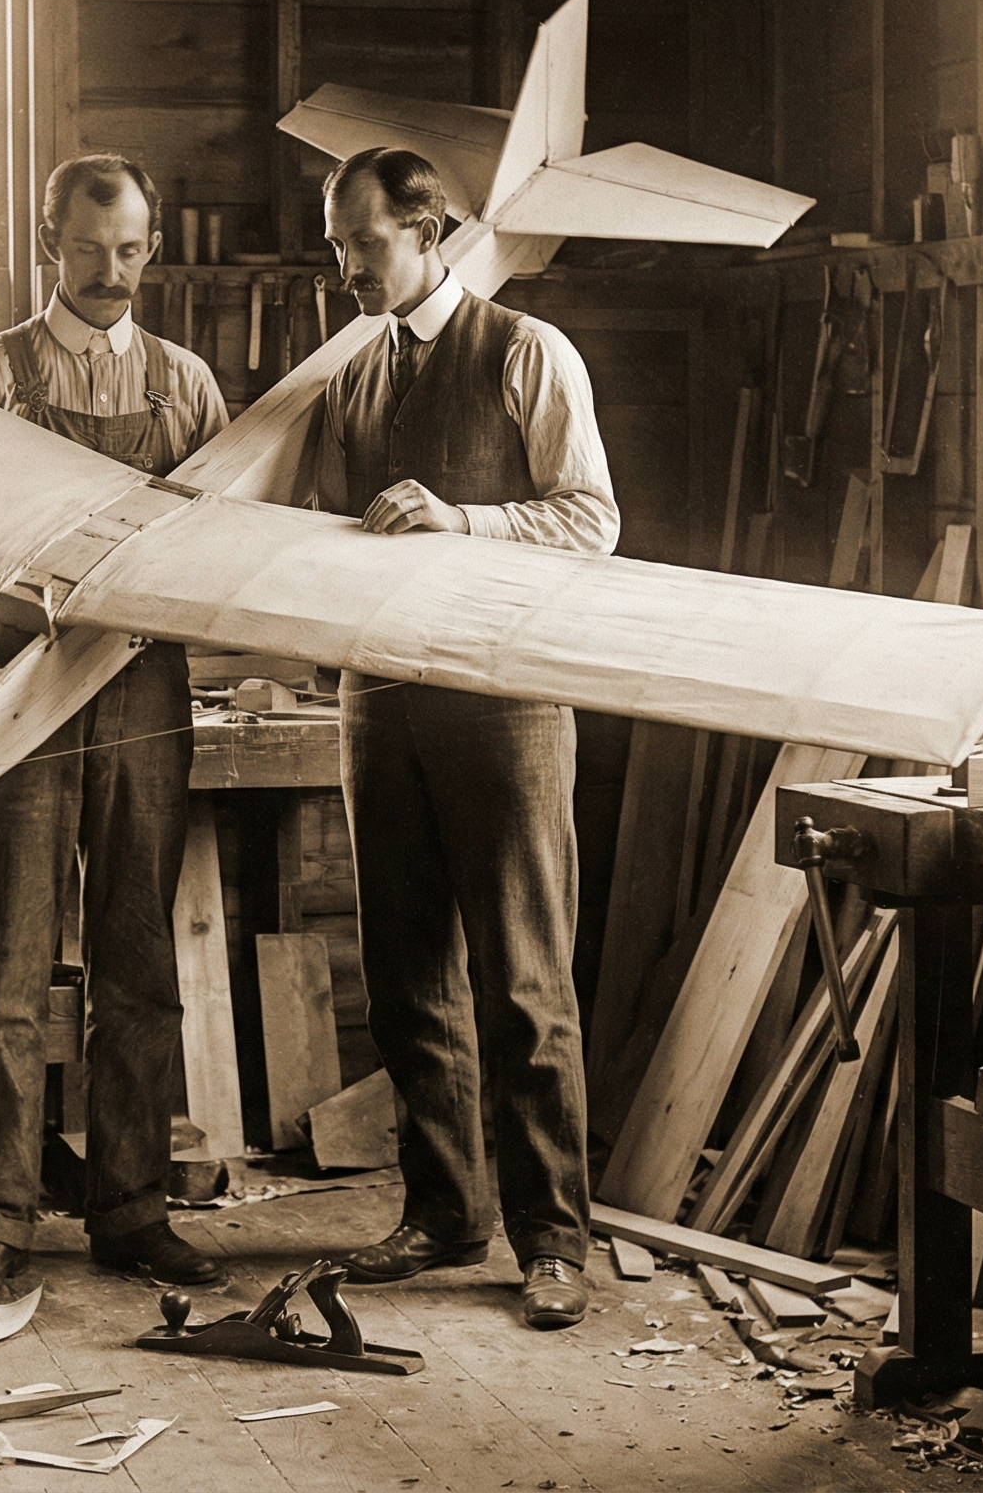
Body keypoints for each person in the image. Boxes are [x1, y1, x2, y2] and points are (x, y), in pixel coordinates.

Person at [0, 153, 230, 1307]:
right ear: (48, 240)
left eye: (133, 248)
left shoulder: (188, 387)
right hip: (18, 694)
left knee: (137, 965)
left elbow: (220, 558)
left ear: (154, 246)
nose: (111, 271)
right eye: (89, 248)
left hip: (144, 693)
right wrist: (0, 570)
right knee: (7, 971)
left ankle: (131, 1212)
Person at [312, 145, 619, 1330]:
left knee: (524, 979)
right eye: (336, 246)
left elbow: (591, 519)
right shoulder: (349, 376)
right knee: (404, 975)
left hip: (505, 699)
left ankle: (553, 1242)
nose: (347, 267)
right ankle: (444, 1211)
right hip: (379, 694)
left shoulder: (527, 352)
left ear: (427, 228)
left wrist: (463, 522)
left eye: (365, 243)